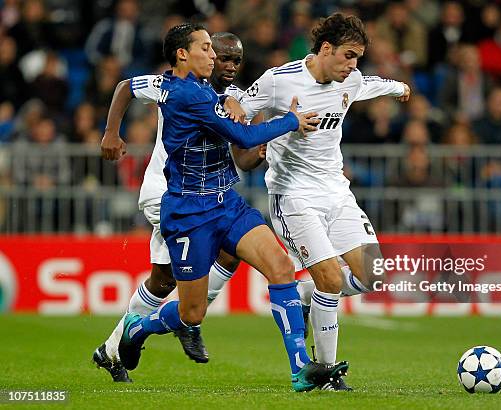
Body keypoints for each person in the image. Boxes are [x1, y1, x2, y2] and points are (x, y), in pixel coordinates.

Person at [114, 23, 348, 392]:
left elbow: (239, 130)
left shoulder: (211, 90)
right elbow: (241, 135)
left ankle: (301, 368)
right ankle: (139, 326)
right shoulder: (184, 95)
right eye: (207, 49)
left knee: (282, 266)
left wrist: (241, 110)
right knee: (192, 313)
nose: (215, 56)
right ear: (182, 55)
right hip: (189, 212)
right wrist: (289, 121)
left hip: (227, 202)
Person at [235, 13, 411, 390]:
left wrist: (398, 88)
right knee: (330, 279)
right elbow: (238, 110)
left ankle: (300, 294)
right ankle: (327, 373)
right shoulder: (278, 82)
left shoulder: (353, 79)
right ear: (325, 49)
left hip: (337, 192)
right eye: (348, 56)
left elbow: (372, 85)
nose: (353, 66)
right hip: (293, 195)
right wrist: (238, 115)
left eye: (358, 58)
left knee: (372, 275)